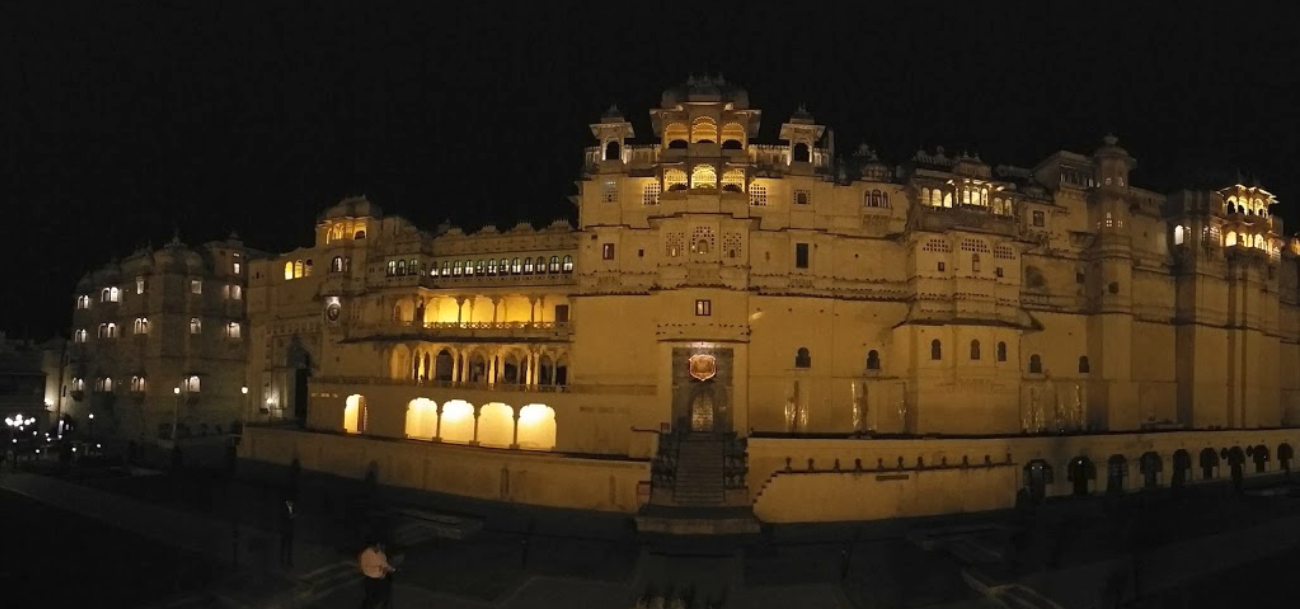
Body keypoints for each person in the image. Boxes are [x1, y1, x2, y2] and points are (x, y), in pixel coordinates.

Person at [358, 540, 395, 608]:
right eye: (379, 545)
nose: (380, 547)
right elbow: (365, 568)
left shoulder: (380, 553)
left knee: (383, 596)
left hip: (381, 579)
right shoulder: (366, 554)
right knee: (371, 599)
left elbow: (384, 564)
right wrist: (380, 569)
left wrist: (391, 569)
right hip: (371, 579)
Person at [279, 499, 296, 568]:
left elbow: (293, 516)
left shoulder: (292, 508)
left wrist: (292, 516)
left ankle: (288, 561)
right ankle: (282, 560)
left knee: (289, 547)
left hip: (290, 530)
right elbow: (285, 517)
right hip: (285, 529)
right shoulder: (284, 508)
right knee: (284, 546)